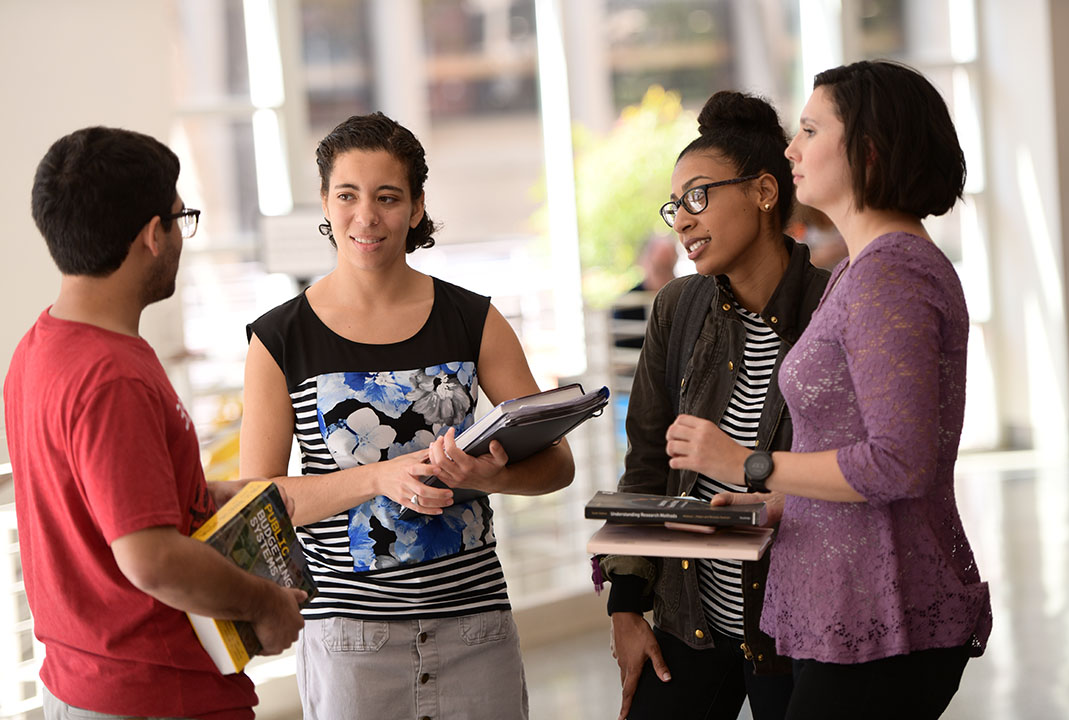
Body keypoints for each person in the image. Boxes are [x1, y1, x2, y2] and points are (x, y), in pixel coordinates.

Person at [664, 60, 992, 719]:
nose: (791, 148)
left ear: (868, 150)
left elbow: (899, 461)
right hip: (850, 602)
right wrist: (782, 500)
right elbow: (852, 446)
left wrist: (748, 463)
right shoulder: (858, 268)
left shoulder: (891, 274)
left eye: (810, 130)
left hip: (882, 608)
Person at [239, 112, 575, 720]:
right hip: (350, 645)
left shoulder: (474, 321)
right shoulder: (279, 339)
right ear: (325, 201)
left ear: (417, 208)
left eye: (388, 197)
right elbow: (257, 500)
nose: (366, 217)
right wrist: (378, 477)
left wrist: (487, 476)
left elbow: (557, 466)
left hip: (476, 630)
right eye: (348, 195)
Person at [4, 127, 307, 720]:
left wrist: (211, 497)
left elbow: (99, 505)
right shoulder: (112, 375)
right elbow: (150, 558)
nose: (180, 238)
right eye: (180, 218)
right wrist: (266, 605)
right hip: (156, 692)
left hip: (81, 680)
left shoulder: (39, 346)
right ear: (152, 235)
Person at [599, 91, 830, 720]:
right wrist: (625, 604)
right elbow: (646, 464)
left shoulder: (831, 307)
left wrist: (744, 466)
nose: (682, 219)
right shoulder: (678, 308)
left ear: (763, 192)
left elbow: (855, 473)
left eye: (699, 197)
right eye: (676, 204)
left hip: (794, 629)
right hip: (689, 620)